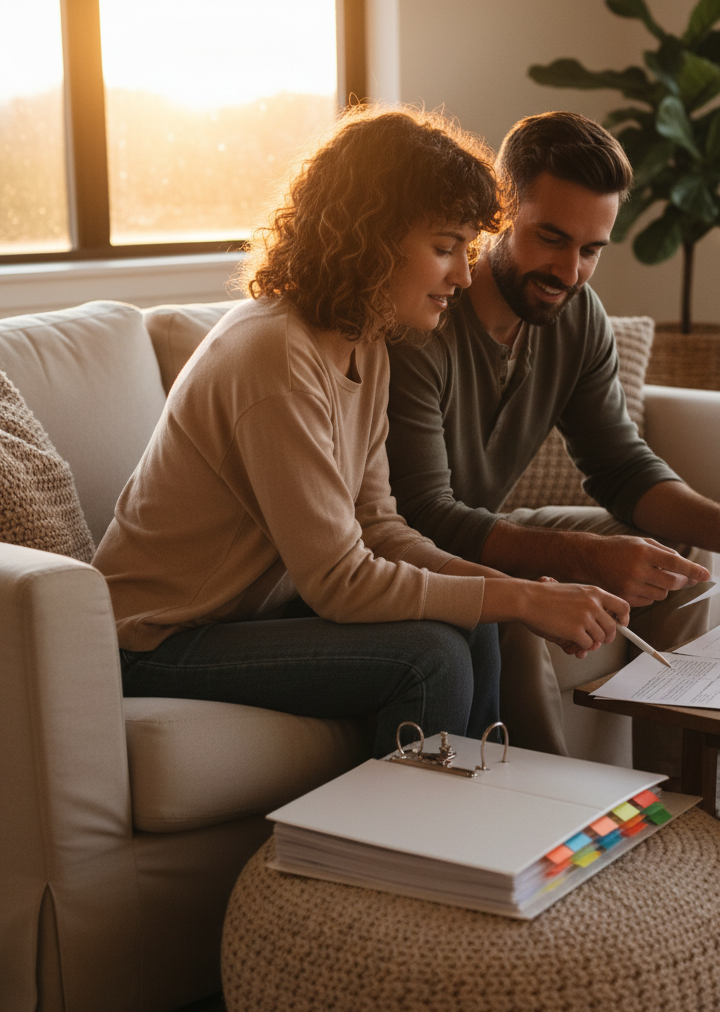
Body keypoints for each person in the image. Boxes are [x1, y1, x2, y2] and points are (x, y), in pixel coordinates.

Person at [93, 105, 630, 760]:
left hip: (242, 619)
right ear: (373, 239)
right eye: (444, 248)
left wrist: (514, 598)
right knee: (430, 657)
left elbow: (379, 526)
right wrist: (515, 595)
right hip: (150, 642)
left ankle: (485, 821)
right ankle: (405, 853)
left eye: (465, 248)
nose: (464, 274)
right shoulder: (275, 356)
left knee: (481, 623)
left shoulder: (366, 343)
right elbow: (340, 581)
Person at [386, 111, 720, 775]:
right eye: (550, 239)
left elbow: (619, 466)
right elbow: (423, 516)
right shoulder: (424, 320)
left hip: (492, 527)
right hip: (421, 553)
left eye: (591, 249)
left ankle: (673, 795)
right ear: (498, 215)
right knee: (517, 606)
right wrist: (580, 554)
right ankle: (554, 810)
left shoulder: (579, 317)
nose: (570, 271)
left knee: (671, 557)